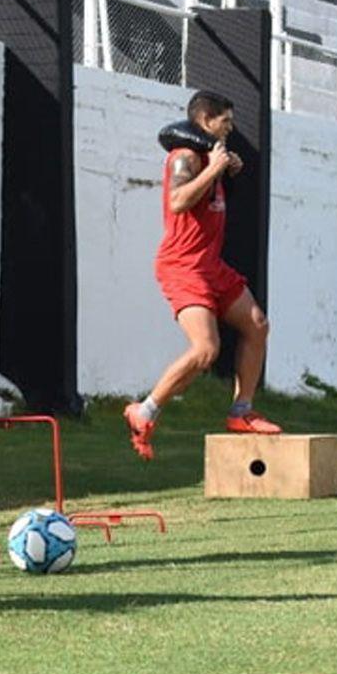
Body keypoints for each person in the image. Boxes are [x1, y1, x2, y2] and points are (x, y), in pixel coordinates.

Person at [122, 90, 281, 462]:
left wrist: (228, 171)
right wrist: (212, 169)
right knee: (206, 349)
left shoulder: (212, 156)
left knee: (257, 325)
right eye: (225, 121)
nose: (231, 128)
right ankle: (143, 412)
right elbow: (178, 201)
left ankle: (242, 412)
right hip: (183, 265)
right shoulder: (185, 157)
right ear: (206, 120)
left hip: (210, 264)